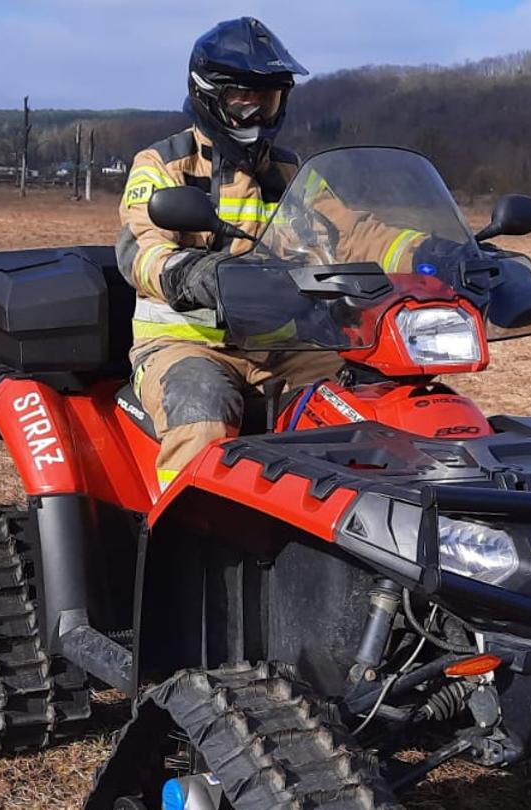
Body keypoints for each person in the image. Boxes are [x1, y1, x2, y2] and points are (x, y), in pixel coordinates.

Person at [117, 17, 434, 486]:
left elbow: (354, 232)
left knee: (373, 406)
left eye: (265, 100)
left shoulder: (290, 172)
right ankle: (191, 543)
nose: (254, 114)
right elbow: (141, 251)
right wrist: (192, 274)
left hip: (284, 347)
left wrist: (431, 251)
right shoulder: (163, 165)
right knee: (201, 416)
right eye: (240, 100)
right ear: (209, 96)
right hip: (186, 347)